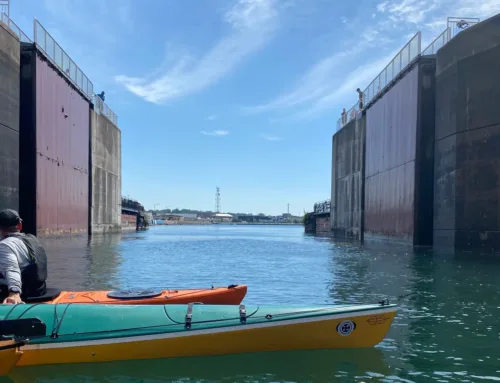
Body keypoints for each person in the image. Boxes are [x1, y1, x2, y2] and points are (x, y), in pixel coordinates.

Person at [0, 209, 48, 304]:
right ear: (20, 225)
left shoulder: (5, 246)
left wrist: (14, 292)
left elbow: (11, 268)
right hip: (39, 291)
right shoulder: (32, 240)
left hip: (23, 294)